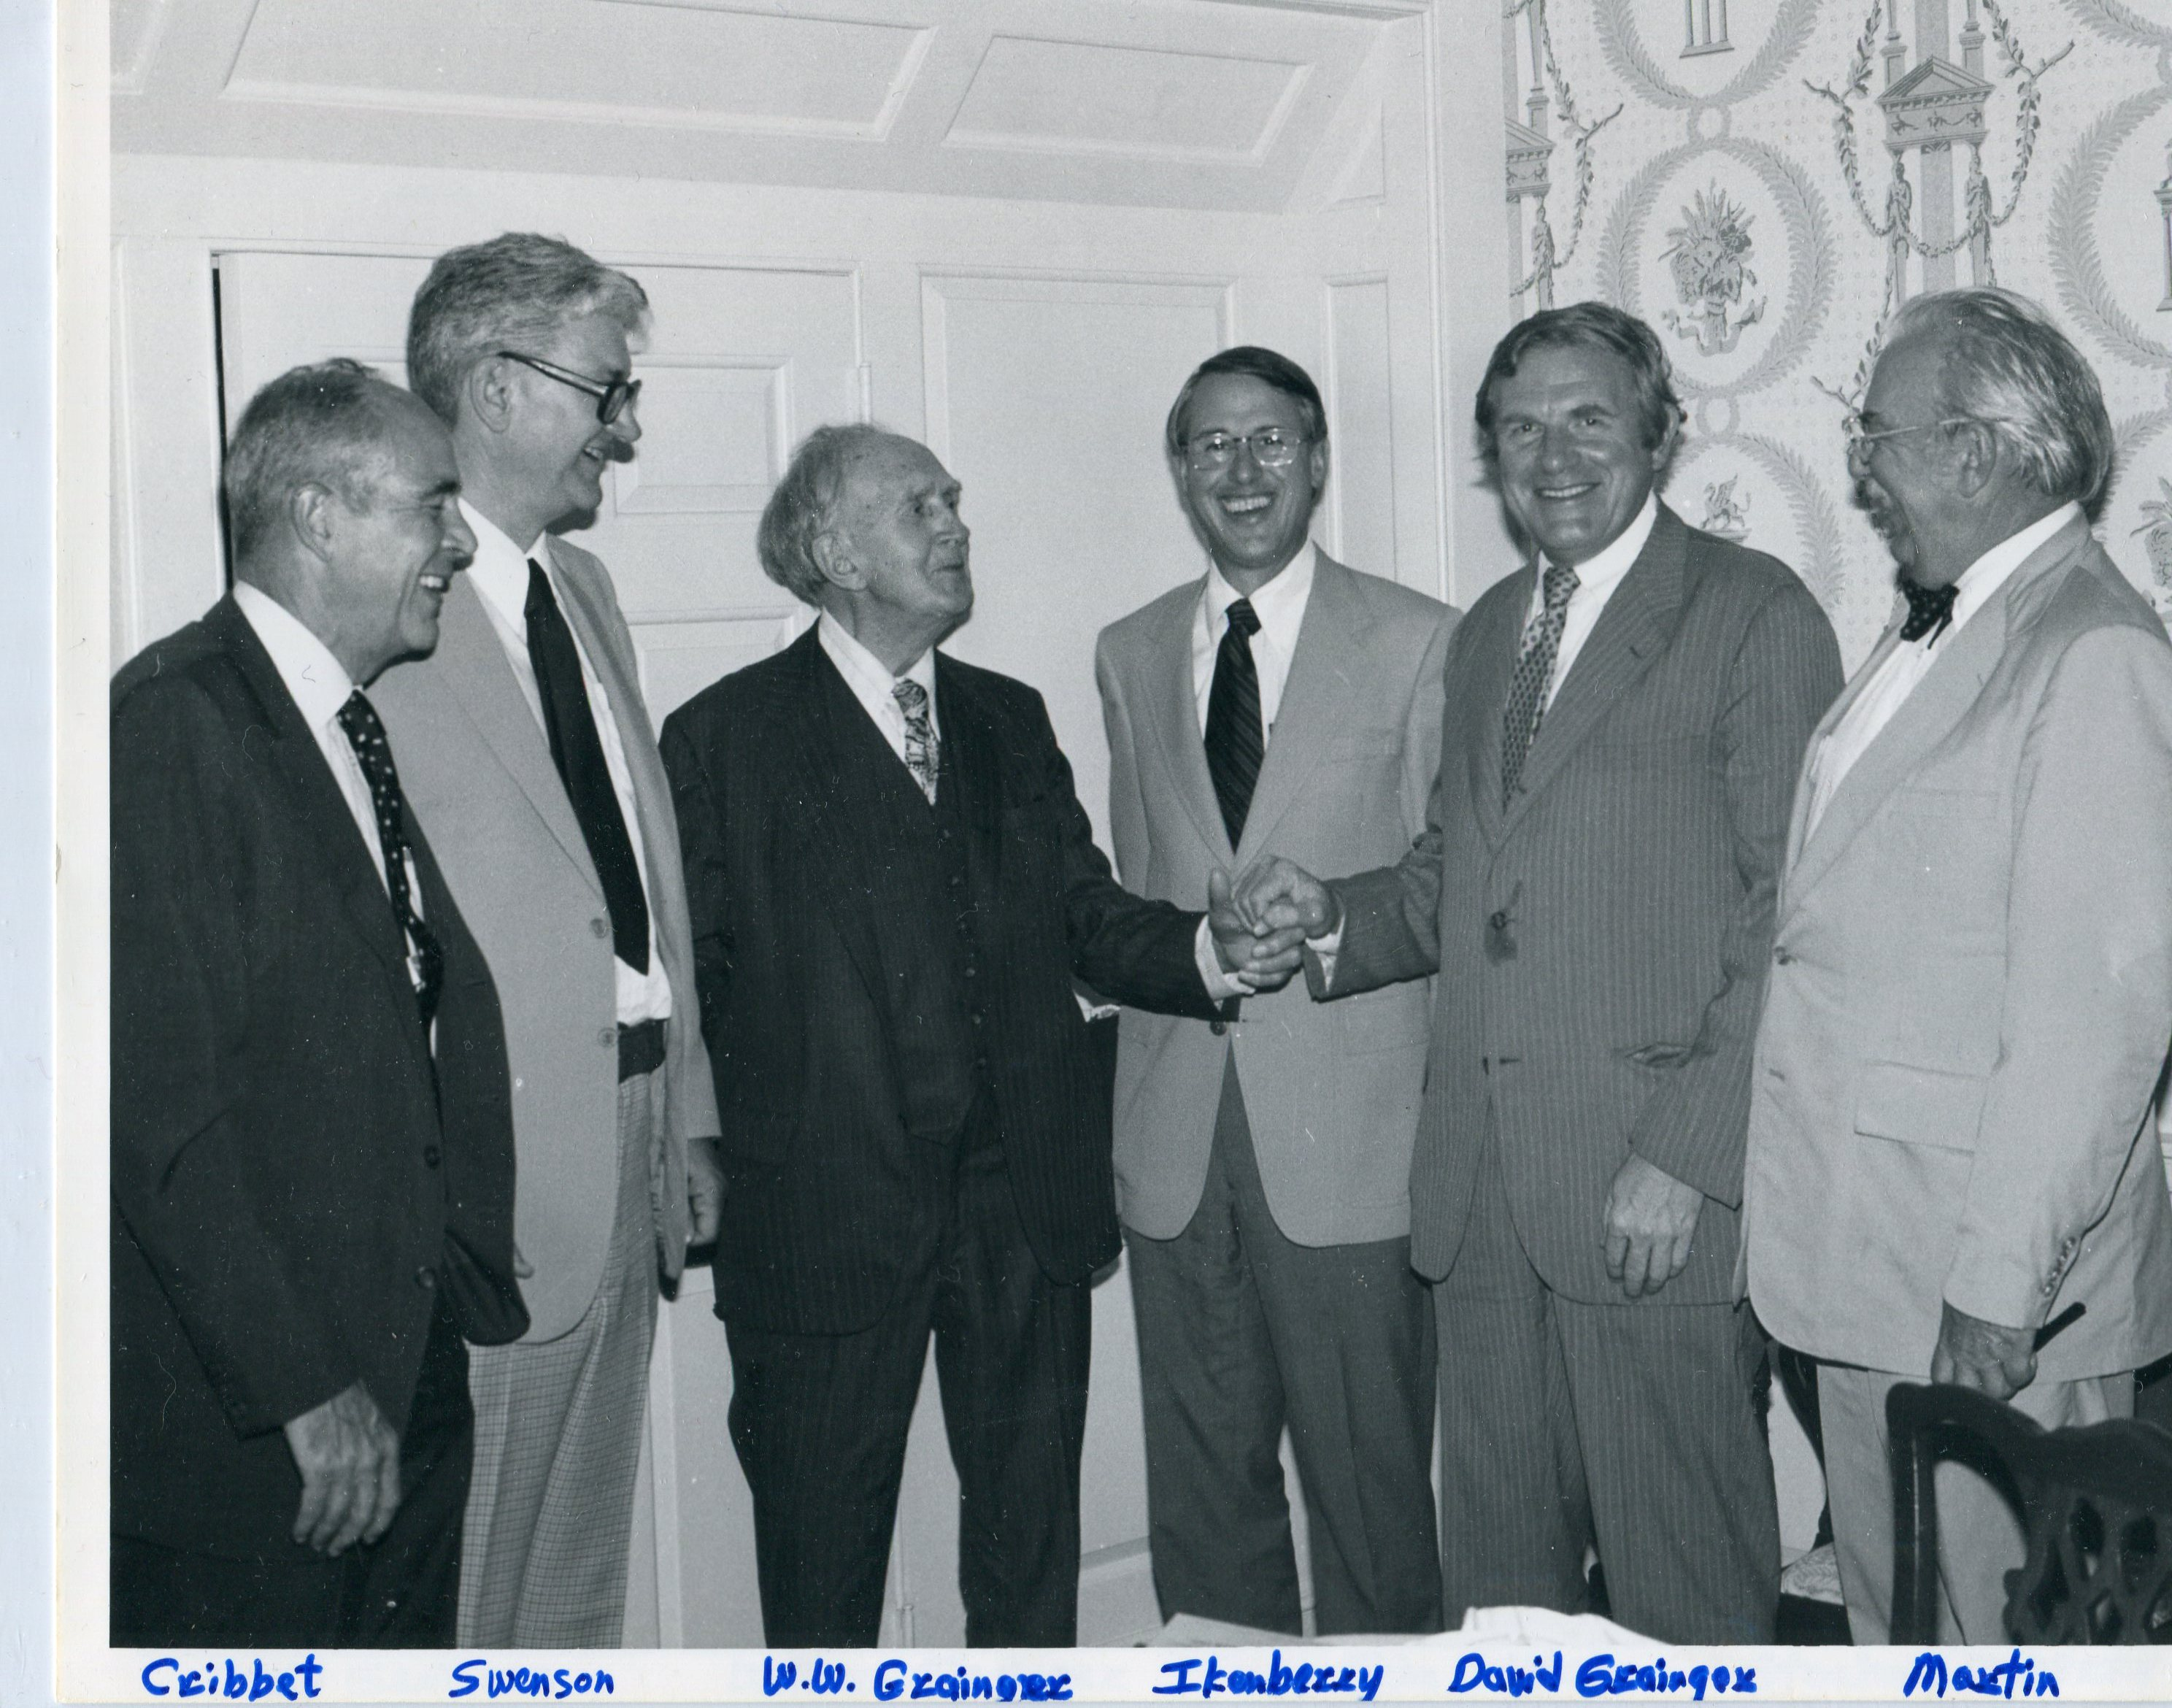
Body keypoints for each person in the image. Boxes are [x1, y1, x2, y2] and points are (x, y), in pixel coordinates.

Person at [1238, 301, 1841, 1644]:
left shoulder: (1753, 614)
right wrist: (1326, 919)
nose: (1553, 456)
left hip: (1651, 1192)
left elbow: (1789, 918)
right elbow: (1457, 879)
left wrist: (1685, 1157)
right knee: (1502, 1600)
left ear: (1658, 436)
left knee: (1683, 1589)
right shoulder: (1493, 624)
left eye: (1588, 421)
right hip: (1483, 1188)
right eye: (1520, 428)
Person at [658, 423, 1303, 1648]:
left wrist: (1209, 952)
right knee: (822, 1576)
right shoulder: (722, 740)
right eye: (921, 509)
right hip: (823, 1229)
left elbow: (1082, 910)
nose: (957, 527)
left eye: (955, 501)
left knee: (1028, 1565)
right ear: (834, 550)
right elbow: (691, 987)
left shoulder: (1008, 718)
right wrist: (693, 1151)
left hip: (1023, 1209)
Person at [1742, 286, 2172, 1644]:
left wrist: (1999, 1288)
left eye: (1879, 437)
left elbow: (2095, 1022)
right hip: (1874, 1248)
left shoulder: (2092, 652)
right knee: (1902, 1632)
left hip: (1983, 1288)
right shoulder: (1955, 617)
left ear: (1975, 454)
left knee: (2002, 1646)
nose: (1864, 470)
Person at [111, 359, 526, 1646]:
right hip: (276, 1431)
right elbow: (160, 1117)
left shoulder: (339, 717)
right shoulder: (173, 725)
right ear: (316, 518)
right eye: (432, 504)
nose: (459, 539)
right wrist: (305, 1387)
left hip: (401, 1366)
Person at [368, 233, 723, 1647]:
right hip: (489, 1184)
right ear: (500, 387)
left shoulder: (585, 596)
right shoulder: (390, 612)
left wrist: (684, 1112)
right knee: (470, 1592)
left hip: (629, 1143)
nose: (623, 430)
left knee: (575, 1580)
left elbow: (638, 881)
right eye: (605, 391)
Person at [1093, 347, 1456, 1634]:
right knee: (1204, 1490)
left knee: (1369, 1495)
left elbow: (1449, 873)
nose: (1242, 473)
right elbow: (1139, 885)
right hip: (1177, 1131)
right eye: (1211, 447)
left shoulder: (1419, 640)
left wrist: (1334, 916)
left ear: (1315, 461)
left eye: (1270, 444)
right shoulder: (1130, 651)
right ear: (1182, 472)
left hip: (1353, 1141)